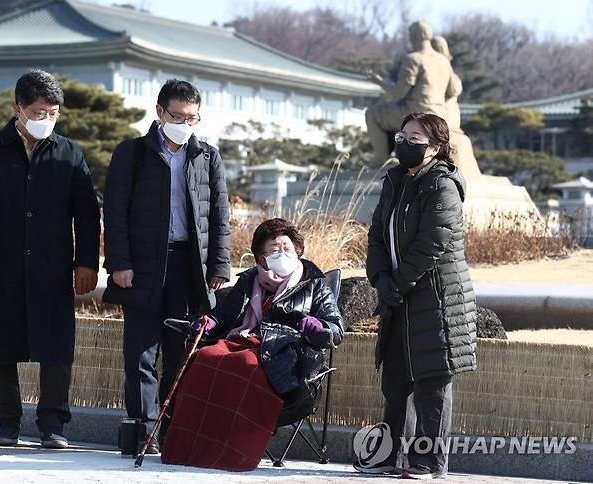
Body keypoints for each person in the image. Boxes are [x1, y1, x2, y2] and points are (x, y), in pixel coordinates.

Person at [0, 70, 101, 449]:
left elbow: (86, 214)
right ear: (18, 109)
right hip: (1, 265)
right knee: (1, 343)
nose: (45, 119)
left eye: (53, 112)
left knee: (56, 346)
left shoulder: (70, 153)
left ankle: (53, 424)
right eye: (38, 111)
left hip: (52, 267)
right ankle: (5, 423)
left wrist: (86, 262)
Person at [102, 79, 230, 453]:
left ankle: (172, 428)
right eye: (177, 115)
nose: (185, 123)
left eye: (192, 117)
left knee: (180, 353)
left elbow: (219, 216)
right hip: (141, 268)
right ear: (160, 112)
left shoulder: (207, 156)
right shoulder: (132, 153)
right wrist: (120, 263)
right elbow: (115, 212)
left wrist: (218, 266)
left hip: (188, 267)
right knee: (140, 353)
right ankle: (143, 432)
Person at [161, 218, 343, 471]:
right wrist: (209, 323)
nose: (282, 254)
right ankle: (189, 449)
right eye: (274, 250)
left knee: (246, 364)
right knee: (205, 358)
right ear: (260, 257)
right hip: (244, 339)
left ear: (297, 250)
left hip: (284, 352)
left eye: (287, 248)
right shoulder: (249, 280)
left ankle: (233, 453)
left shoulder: (315, 283)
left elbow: (335, 327)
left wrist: (319, 327)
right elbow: (224, 315)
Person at [362, 112, 477, 479]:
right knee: (395, 379)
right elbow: (377, 234)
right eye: (403, 136)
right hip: (398, 293)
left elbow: (433, 244)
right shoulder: (394, 180)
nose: (405, 144)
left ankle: (429, 461)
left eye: (416, 140)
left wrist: (397, 284)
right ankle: (388, 455)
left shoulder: (442, 185)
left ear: (437, 148)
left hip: (436, 297)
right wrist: (380, 277)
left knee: (431, 380)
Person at [365, 21, 462, 166]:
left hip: (416, 112)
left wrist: (380, 82)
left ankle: (380, 157)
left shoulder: (413, 59)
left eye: (410, 36)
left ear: (414, 36)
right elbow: (452, 91)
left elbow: (399, 93)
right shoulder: (443, 60)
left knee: (373, 113)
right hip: (440, 114)